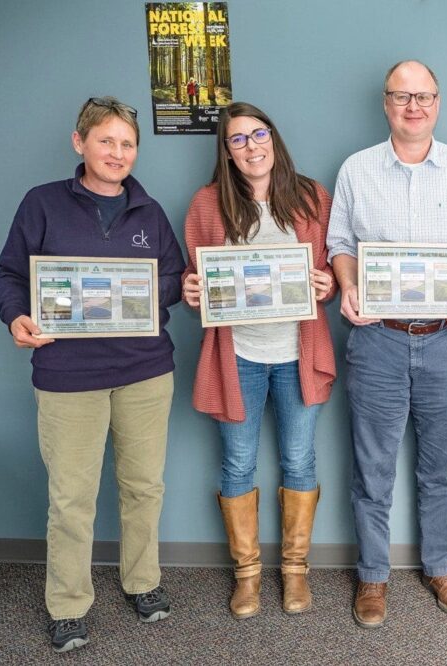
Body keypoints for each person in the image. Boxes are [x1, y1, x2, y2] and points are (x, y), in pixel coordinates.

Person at [0, 96, 185, 653]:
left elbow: (171, 279)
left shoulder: (148, 213)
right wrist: (16, 317)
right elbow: (9, 273)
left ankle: (142, 583)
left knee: (144, 486)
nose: (117, 153)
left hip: (146, 371)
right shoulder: (42, 204)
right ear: (80, 144)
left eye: (127, 144)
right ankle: (69, 605)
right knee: (72, 496)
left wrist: (157, 292)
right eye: (106, 141)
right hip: (67, 373)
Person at [327, 60, 447, 628]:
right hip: (378, 340)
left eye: (423, 96)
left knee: (441, 466)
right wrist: (346, 285)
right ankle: (372, 576)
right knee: (373, 468)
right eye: (401, 96)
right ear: (386, 104)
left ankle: (439, 565)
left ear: (437, 102)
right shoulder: (356, 169)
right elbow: (340, 240)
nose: (413, 106)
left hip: (446, 341)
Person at [181, 102, 337, 619]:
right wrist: (192, 288)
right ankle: (247, 575)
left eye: (258, 134)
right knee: (238, 462)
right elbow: (197, 278)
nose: (251, 146)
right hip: (238, 354)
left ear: (274, 137)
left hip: (298, 353)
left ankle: (295, 570)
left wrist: (329, 284)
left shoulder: (313, 196)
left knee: (299, 460)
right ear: (225, 151)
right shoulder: (208, 204)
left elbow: (332, 271)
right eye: (238, 140)